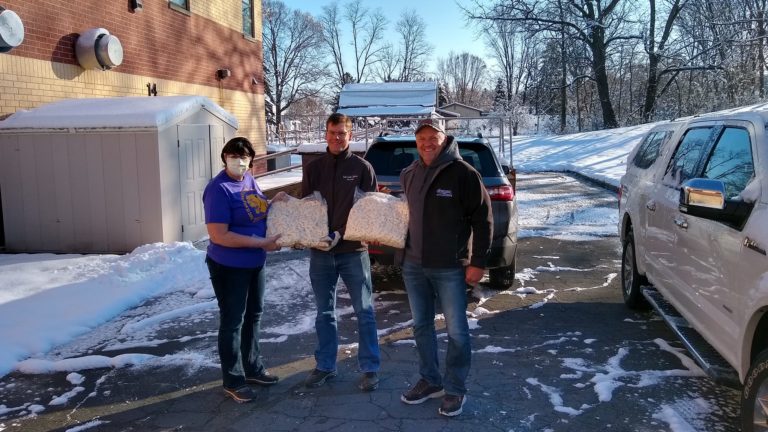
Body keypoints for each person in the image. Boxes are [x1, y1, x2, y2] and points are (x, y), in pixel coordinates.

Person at [398, 117, 492, 417]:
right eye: (421, 138)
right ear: (416, 141)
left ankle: (454, 390)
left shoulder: (463, 173)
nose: (427, 143)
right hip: (414, 264)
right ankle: (430, 380)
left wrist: (478, 262)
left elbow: (484, 219)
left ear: (444, 138)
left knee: (457, 331)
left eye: (432, 138)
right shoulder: (409, 172)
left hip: (450, 267)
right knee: (421, 326)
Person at [301, 113, 382, 392]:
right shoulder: (314, 169)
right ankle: (325, 366)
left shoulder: (362, 168)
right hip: (321, 253)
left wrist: (341, 233)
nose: (337, 138)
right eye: (333, 132)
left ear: (351, 136)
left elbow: (368, 212)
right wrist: (307, 235)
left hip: (352, 251)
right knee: (324, 312)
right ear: (326, 134)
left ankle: (370, 368)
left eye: (343, 133)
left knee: (364, 310)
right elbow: (307, 208)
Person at [202, 136, 285, 403]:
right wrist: (262, 243)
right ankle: (233, 380)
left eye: (245, 156)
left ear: (251, 160)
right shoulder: (218, 189)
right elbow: (219, 235)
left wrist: (274, 202)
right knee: (233, 321)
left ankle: (253, 368)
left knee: (254, 316)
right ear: (224, 157)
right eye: (234, 155)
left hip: (254, 263)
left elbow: (254, 212)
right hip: (229, 266)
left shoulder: (248, 180)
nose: (240, 161)